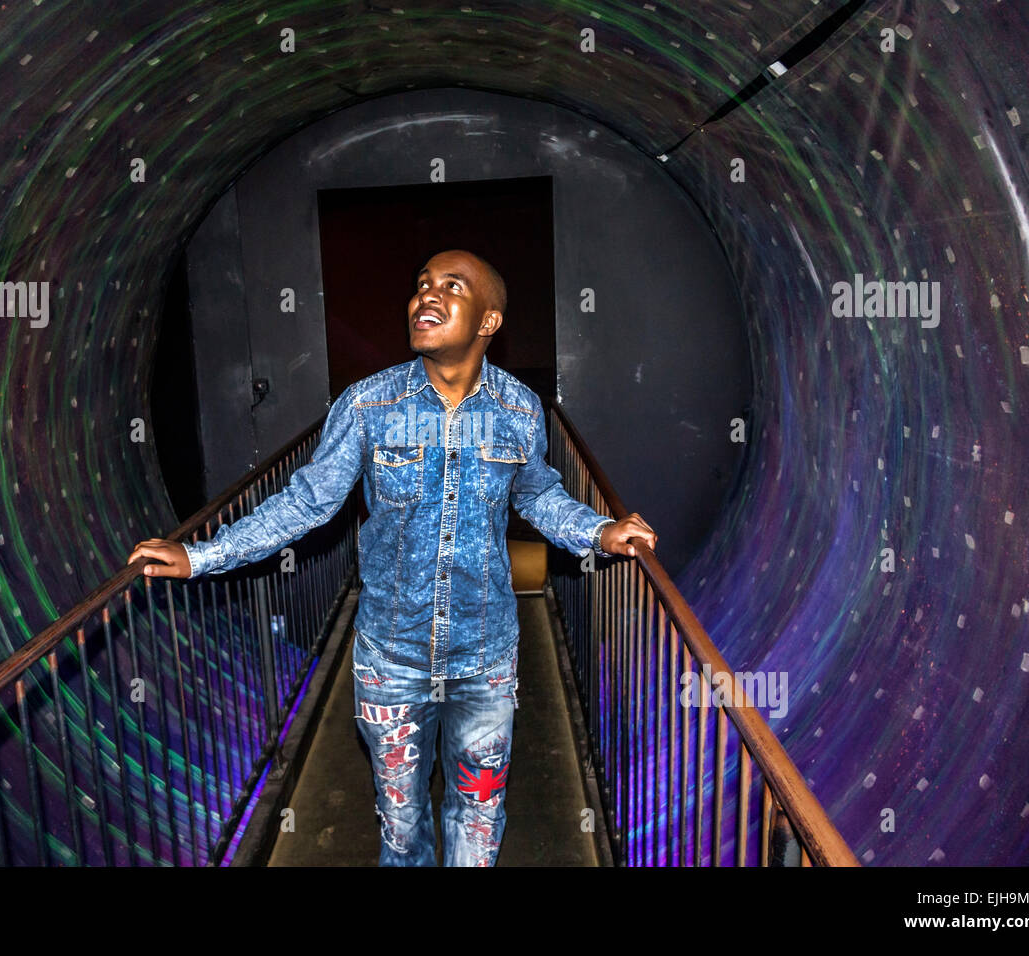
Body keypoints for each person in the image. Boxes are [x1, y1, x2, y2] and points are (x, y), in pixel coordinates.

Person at [126, 249, 656, 866]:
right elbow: (306, 504)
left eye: (452, 287)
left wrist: (599, 532)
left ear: (488, 322)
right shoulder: (368, 406)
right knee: (402, 830)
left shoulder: (519, 411)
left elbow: (537, 494)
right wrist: (201, 555)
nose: (426, 295)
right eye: (422, 284)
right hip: (392, 660)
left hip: (484, 658)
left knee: (479, 823)